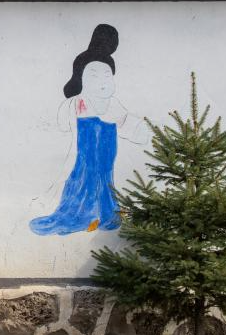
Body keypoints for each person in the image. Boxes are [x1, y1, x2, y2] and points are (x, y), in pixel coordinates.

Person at [30, 24, 148, 236]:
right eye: (94, 75)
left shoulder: (113, 105)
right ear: (81, 78)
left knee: (105, 182)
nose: (102, 82)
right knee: (82, 181)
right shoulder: (77, 103)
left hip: (106, 162)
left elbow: (128, 123)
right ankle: (79, 213)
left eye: (107, 75)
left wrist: (144, 130)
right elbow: (61, 123)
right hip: (84, 162)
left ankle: (105, 213)